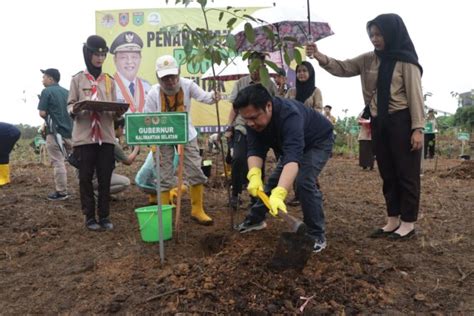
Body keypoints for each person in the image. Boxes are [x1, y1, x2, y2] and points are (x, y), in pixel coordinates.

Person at [306, 13, 424, 240]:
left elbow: (416, 96)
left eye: (380, 34)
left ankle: (408, 223)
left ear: (392, 33)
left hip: (401, 120)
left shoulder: (406, 61)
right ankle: (392, 220)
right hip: (379, 122)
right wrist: (319, 56)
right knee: (387, 172)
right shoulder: (369, 59)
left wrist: (417, 128)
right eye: (372, 34)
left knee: (406, 173)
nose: (375, 39)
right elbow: (343, 68)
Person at [233, 84, 334, 253]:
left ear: (268, 106)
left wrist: (281, 192)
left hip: (316, 142)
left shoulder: (290, 115)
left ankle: (316, 235)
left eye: (254, 118)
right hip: (291, 147)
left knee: (303, 182)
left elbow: (293, 158)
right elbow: (255, 150)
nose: (250, 123)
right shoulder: (252, 121)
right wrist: (254, 174)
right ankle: (256, 219)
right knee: (272, 183)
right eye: (246, 119)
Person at [144, 55, 220, 225]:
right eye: (165, 78)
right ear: (158, 77)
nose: (170, 81)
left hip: (186, 133)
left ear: (178, 73)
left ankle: (197, 209)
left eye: (172, 76)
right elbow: (146, 118)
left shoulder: (188, 85)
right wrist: (152, 142)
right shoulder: (153, 93)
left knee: (195, 168)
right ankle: (164, 212)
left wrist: (214, 96)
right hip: (162, 135)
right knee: (162, 174)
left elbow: (205, 97)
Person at [68, 35, 122, 231]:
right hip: (84, 138)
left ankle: (105, 216)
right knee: (85, 178)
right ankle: (89, 216)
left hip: (106, 137)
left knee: (105, 177)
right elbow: (70, 106)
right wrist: (76, 108)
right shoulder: (77, 79)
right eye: (96, 54)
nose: (100, 58)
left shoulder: (109, 81)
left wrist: (118, 113)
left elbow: (114, 107)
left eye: (103, 54)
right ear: (88, 54)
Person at [226, 52, 278, 209]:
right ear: (248, 67)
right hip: (243, 127)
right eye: (251, 66)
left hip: (262, 128)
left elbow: (275, 105)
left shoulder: (269, 84)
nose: (254, 70)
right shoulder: (241, 83)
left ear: (263, 67)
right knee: (239, 159)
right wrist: (229, 127)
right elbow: (234, 108)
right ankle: (235, 193)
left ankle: (256, 197)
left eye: (258, 66)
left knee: (258, 163)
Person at [37, 68, 73, 201]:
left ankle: (61, 192)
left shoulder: (46, 91)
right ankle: (88, 187)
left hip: (54, 133)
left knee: (58, 162)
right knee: (77, 161)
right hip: (70, 132)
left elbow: (42, 113)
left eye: (44, 77)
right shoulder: (67, 92)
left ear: (51, 79)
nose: (42, 80)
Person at [92, 118, 139, 195]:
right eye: (123, 128)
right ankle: (96, 193)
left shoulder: (102, 135)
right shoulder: (111, 141)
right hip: (95, 178)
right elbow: (128, 161)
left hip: (86, 176)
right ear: (119, 127)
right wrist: (136, 148)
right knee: (125, 182)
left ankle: (98, 191)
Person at [110, 31, 151, 113]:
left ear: (140, 58)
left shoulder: (147, 87)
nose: (129, 62)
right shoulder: (109, 86)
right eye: (123, 57)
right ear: (115, 60)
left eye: (134, 57)